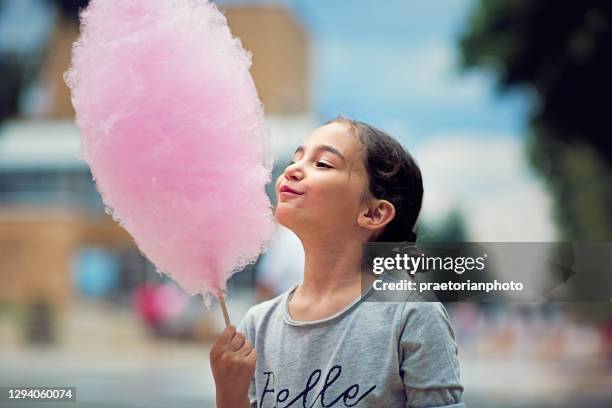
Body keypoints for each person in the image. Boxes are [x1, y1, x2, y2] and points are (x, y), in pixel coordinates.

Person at [210, 117, 465, 408]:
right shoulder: (257, 325)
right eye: (297, 158)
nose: (292, 169)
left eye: (322, 164)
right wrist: (229, 395)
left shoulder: (411, 315)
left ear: (373, 214)